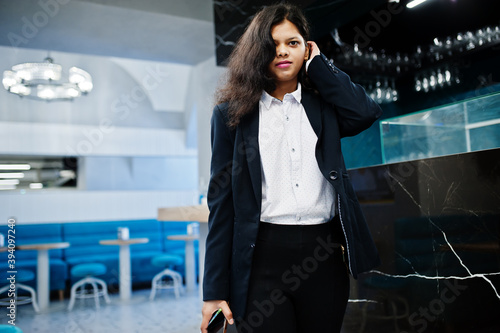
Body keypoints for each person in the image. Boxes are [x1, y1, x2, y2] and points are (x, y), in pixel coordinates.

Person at [201, 3, 382, 333]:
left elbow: (365, 113)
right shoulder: (231, 117)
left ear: (306, 48)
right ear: (258, 52)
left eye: (293, 43)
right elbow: (221, 205)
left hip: (324, 255)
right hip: (261, 258)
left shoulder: (325, 105)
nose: (282, 52)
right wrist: (213, 291)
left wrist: (321, 67)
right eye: (272, 45)